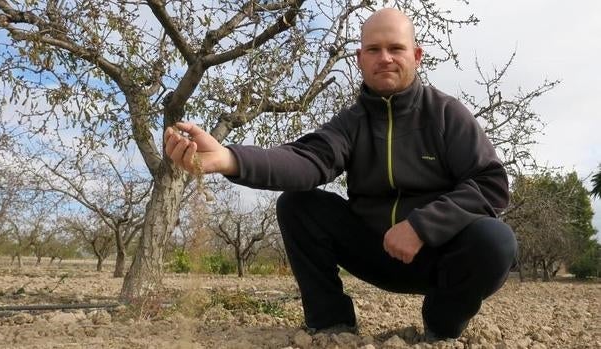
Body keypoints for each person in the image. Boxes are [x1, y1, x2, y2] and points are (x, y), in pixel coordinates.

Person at [164, 8, 517, 342]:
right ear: (360, 59)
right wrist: (229, 158)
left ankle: (442, 324)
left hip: (438, 256)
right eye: (374, 49)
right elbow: (305, 160)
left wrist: (421, 227)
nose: (386, 58)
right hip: (373, 250)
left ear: (417, 55)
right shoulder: (351, 124)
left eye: (396, 48)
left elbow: (491, 183)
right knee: (298, 205)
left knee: (495, 241)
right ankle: (331, 324)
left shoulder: (447, 115)